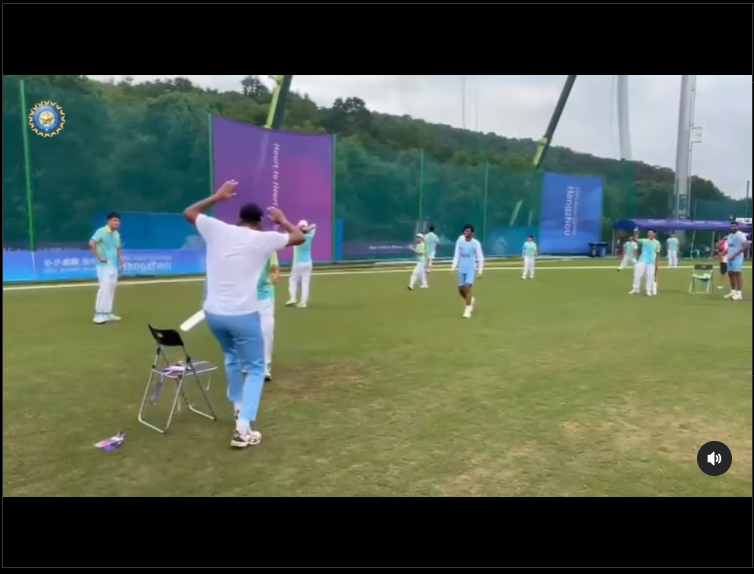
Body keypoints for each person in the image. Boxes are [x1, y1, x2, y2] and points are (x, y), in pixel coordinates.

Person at [184, 180, 305, 448]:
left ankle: (238, 406)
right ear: (261, 222)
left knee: (231, 356)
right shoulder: (264, 239)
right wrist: (284, 220)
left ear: (238, 218)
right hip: (243, 314)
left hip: (213, 314)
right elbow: (299, 237)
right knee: (255, 367)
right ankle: (242, 429)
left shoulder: (217, 229)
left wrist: (216, 197)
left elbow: (189, 212)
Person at [90, 212, 123, 324]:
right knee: (104, 288)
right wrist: (99, 257)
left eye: (118, 220)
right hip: (103, 265)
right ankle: (98, 315)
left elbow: (117, 248)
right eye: (114, 220)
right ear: (108, 221)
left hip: (113, 264)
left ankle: (107, 313)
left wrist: (121, 262)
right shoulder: (102, 231)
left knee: (111, 288)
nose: (117, 222)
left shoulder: (116, 234)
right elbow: (92, 243)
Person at [451, 224, 484, 318]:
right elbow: (456, 254)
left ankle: (467, 309)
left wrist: (480, 270)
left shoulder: (476, 243)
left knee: (467, 287)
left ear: (472, 233)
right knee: (461, 289)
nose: (466, 232)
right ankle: (470, 300)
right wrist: (453, 266)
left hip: (471, 268)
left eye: (468, 231)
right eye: (465, 231)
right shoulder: (460, 242)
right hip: (462, 267)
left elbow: (480, 257)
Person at [257, 251, 280, 382]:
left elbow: (275, 268)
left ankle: (265, 367)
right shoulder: (240, 245)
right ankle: (248, 362)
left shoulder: (268, 246)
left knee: (267, 331)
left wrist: (275, 275)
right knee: (246, 333)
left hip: (265, 297)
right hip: (245, 298)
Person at [286, 220, 317, 308]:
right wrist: (306, 228)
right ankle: (303, 302)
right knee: (305, 283)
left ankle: (293, 298)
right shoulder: (310, 235)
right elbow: (314, 225)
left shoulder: (297, 237)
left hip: (297, 263)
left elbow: (292, 231)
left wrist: (300, 228)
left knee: (293, 280)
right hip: (308, 263)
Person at [630, 229, 660, 296]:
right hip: (642, 260)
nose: (650, 234)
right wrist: (636, 232)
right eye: (649, 233)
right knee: (637, 275)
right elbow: (636, 240)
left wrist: (657, 263)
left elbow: (658, 253)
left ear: (654, 234)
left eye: (651, 233)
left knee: (650, 276)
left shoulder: (657, 243)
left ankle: (648, 290)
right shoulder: (644, 241)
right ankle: (636, 289)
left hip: (651, 262)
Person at [725, 220, 748, 301]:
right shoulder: (730, 235)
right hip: (729, 257)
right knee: (730, 274)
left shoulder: (740, 235)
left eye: (734, 226)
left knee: (737, 274)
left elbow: (744, 246)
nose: (733, 227)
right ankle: (733, 291)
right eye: (732, 226)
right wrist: (724, 253)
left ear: (737, 227)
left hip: (737, 257)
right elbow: (728, 246)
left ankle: (739, 294)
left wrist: (735, 255)